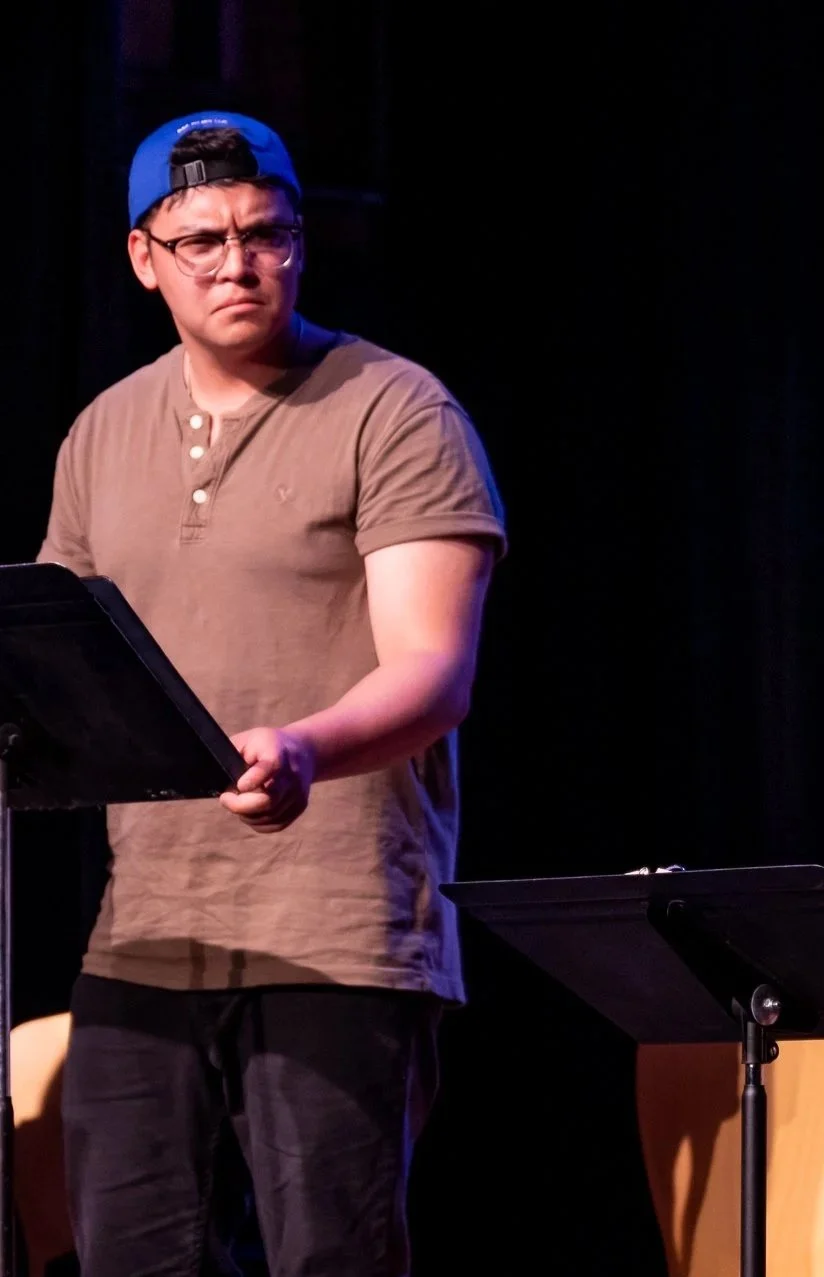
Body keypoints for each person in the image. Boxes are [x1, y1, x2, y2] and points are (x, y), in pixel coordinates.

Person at [37, 111, 505, 1275]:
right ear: (146, 258)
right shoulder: (102, 433)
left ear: (301, 242)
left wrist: (301, 747)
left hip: (334, 930)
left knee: (328, 1258)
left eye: (266, 233)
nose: (238, 263)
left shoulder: (394, 410)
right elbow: (57, 667)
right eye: (202, 240)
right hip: (144, 931)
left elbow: (432, 672)